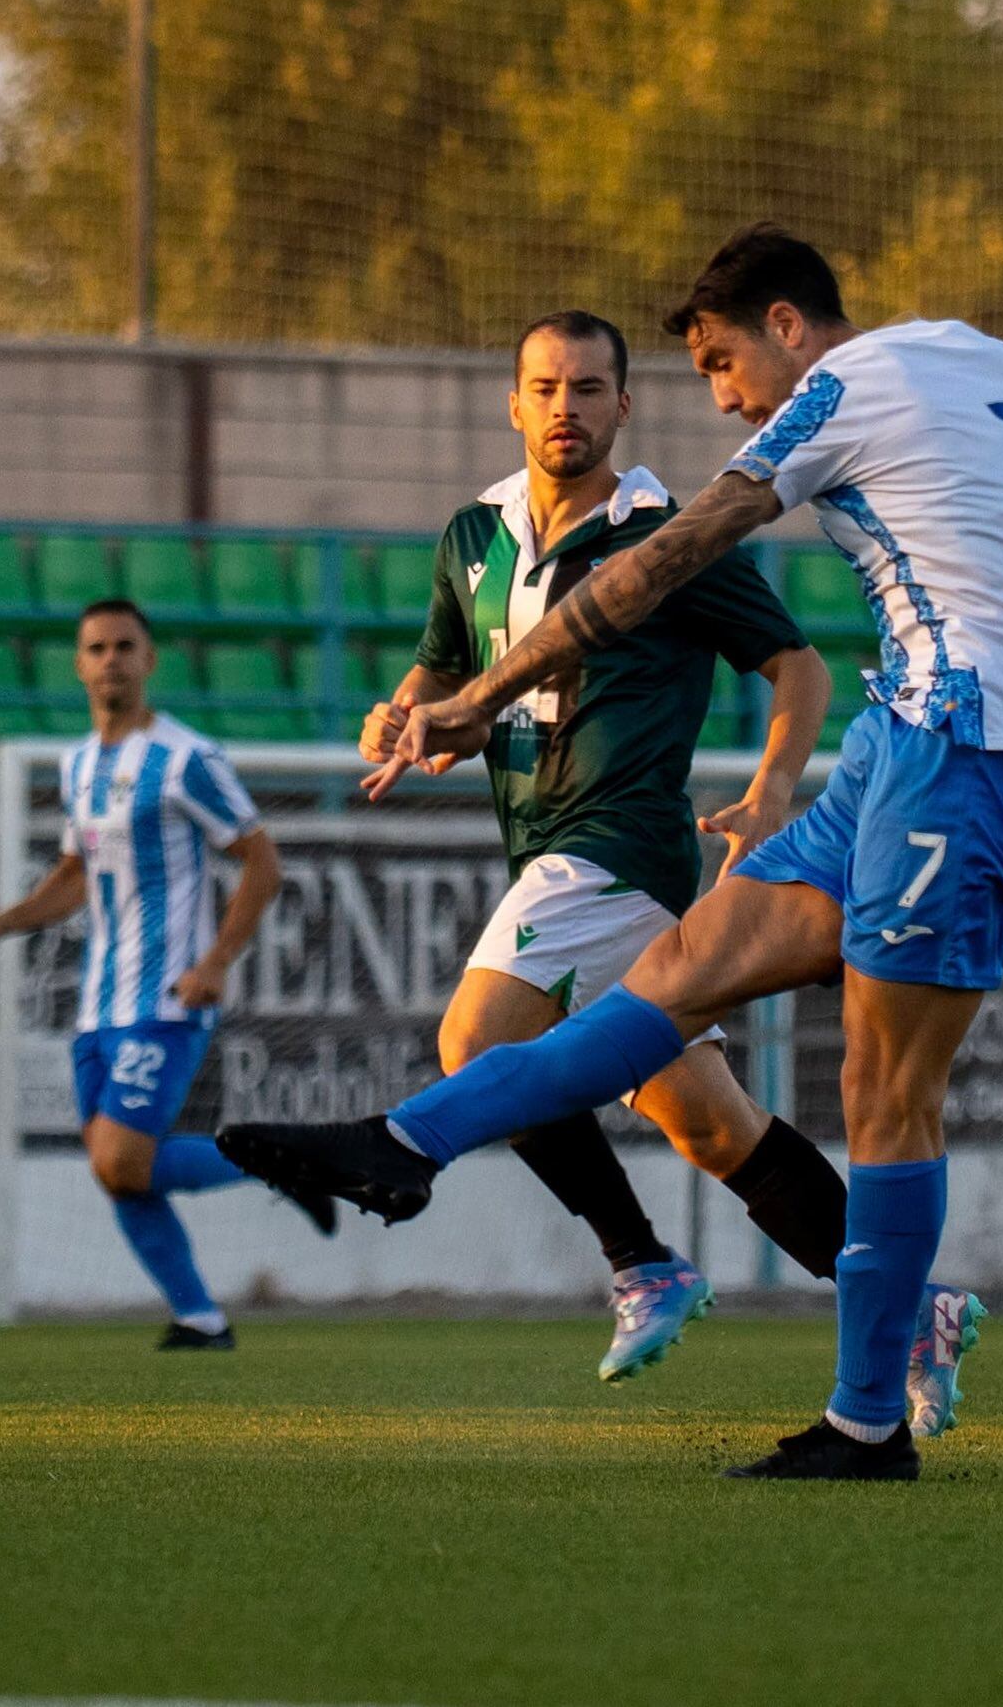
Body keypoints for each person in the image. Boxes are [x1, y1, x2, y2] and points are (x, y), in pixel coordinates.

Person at [221, 224, 1003, 1477]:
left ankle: (866, 1419)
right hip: (901, 740)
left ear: (782, 324)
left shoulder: (836, 390)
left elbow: (658, 564)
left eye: (719, 362)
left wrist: (479, 695)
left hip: (974, 760)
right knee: (675, 978)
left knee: (885, 1095)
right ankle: (408, 1142)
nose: (719, 396)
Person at [359, 306, 852, 1383]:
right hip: (542, 849)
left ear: (623, 407)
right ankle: (909, 1304)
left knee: (477, 1042)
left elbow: (799, 668)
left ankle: (639, 1264)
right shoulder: (472, 536)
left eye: (587, 389)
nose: (563, 408)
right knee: (714, 1128)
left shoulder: (664, 536)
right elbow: (445, 672)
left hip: (617, 847)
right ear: (513, 404)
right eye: (544, 388)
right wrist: (401, 709)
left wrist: (771, 792)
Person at [0, 598, 336, 1350]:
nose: (111, 659)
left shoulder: (186, 758)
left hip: (168, 996)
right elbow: (73, 875)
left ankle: (292, 1161)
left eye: (126, 646)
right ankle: (200, 1317)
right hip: (98, 1006)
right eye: (97, 648)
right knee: (117, 1170)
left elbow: (262, 859)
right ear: (79, 664)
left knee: (122, 1156)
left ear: (150, 660)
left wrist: (216, 961)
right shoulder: (79, 765)